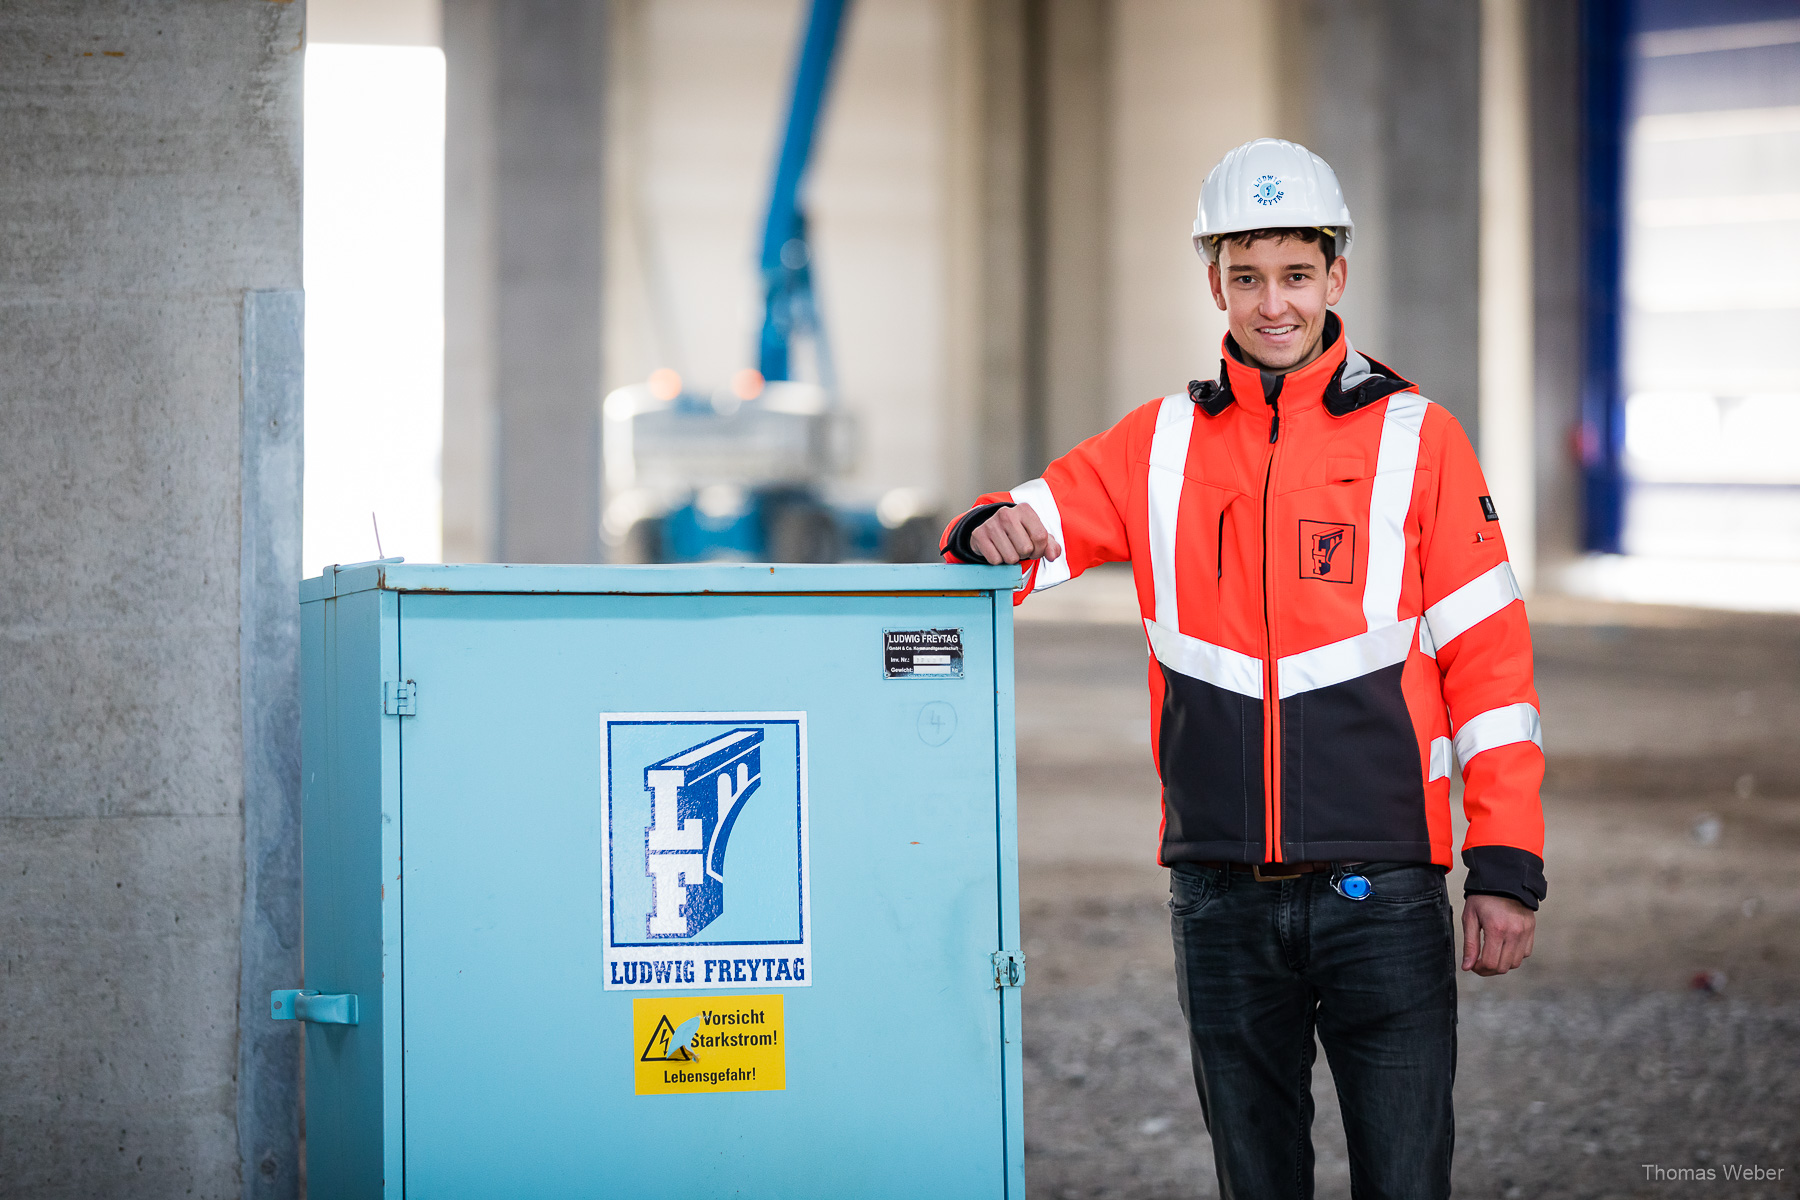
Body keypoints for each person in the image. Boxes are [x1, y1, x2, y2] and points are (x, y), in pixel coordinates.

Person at [939, 137, 1545, 1199]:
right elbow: (1029, 524)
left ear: (1336, 277)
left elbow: (1490, 671)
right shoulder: (1159, 442)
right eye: (1248, 277)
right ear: (1213, 282)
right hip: (1217, 897)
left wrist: (1504, 864)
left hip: (1384, 889)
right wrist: (991, 527)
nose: (1274, 304)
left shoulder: (1421, 440)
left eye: (1297, 276)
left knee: (1406, 1183)